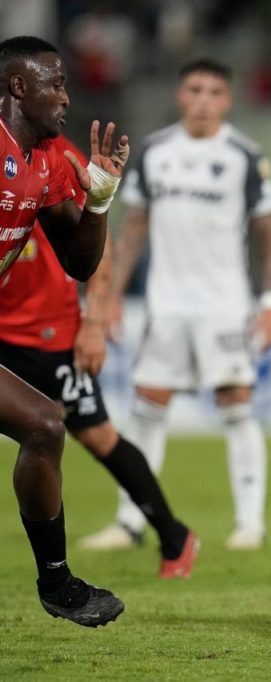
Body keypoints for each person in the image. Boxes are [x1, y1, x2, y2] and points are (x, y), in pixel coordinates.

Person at [98, 57, 271, 552]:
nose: (203, 101)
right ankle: (130, 522)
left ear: (228, 99)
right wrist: (111, 296)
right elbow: (133, 228)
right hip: (165, 305)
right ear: (180, 95)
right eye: (195, 90)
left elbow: (268, 235)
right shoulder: (155, 151)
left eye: (214, 92)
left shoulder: (245, 155)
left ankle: (250, 523)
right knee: (146, 409)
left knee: (237, 406)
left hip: (224, 304)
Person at [0, 133, 199, 578]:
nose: (62, 98)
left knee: (97, 436)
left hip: (46, 331)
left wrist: (93, 321)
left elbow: (97, 237)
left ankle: (174, 536)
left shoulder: (55, 153)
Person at [0, 35, 128, 626]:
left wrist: (99, 202)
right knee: (47, 425)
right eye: (54, 84)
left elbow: (79, 262)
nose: (66, 97)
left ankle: (57, 585)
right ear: (18, 87)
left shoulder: (48, 161)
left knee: (46, 426)